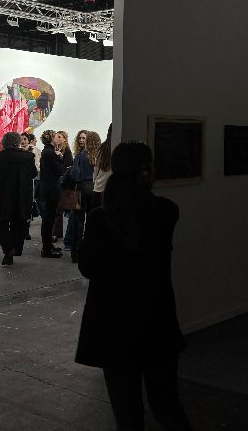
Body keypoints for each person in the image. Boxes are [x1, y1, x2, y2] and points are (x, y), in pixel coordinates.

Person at [76, 141, 191, 431]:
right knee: (166, 403)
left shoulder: (101, 218)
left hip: (113, 324)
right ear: (146, 171)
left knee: (127, 413)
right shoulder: (167, 211)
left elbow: (87, 267)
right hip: (156, 319)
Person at [0, 131, 37, 266]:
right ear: (18, 142)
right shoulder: (28, 157)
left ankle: (7, 249)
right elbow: (34, 174)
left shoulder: (1, 156)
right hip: (22, 196)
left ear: (5, 143)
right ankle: (15, 249)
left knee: (2, 225)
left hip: (4, 196)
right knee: (19, 224)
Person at [67, 130, 100, 263]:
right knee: (92, 221)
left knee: (78, 222)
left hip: (80, 188)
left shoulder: (80, 155)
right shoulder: (97, 155)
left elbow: (75, 175)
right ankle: (91, 251)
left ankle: (76, 254)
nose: (81, 140)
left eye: (84, 138)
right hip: (94, 188)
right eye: (80, 138)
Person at [38, 130, 65, 259]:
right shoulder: (50, 153)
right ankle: (46, 249)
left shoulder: (46, 151)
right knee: (48, 220)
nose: (57, 139)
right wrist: (60, 157)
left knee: (48, 219)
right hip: (51, 189)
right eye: (56, 137)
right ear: (51, 139)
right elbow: (59, 171)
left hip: (48, 188)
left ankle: (48, 246)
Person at [54, 131, 72, 244]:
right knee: (57, 209)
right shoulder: (55, 150)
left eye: (59, 137)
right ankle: (57, 232)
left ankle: (56, 233)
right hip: (56, 183)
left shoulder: (67, 152)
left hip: (63, 184)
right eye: (56, 137)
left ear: (64, 139)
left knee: (59, 209)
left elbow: (67, 168)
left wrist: (60, 158)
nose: (57, 139)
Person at [92, 124, 113, 209]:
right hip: (111, 188)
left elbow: (96, 169)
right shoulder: (119, 146)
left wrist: (94, 182)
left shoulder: (103, 147)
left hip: (99, 187)